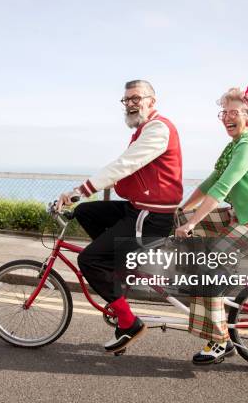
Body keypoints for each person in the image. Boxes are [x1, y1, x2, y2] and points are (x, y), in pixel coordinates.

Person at [56, 80, 183, 352]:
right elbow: (126, 171)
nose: (130, 104)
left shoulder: (158, 129)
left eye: (136, 98)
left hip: (150, 217)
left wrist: (80, 190)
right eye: (126, 100)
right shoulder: (143, 130)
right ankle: (117, 269)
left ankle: (128, 323)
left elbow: (125, 165)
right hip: (137, 209)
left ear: (152, 100)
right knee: (86, 212)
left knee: (89, 260)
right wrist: (80, 199)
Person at [175, 86, 248, 364]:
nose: (227, 118)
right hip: (238, 217)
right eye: (224, 113)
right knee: (181, 222)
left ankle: (220, 342)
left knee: (208, 271)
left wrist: (194, 220)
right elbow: (209, 182)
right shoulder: (232, 146)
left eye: (234, 112)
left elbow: (222, 187)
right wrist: (183, 212)